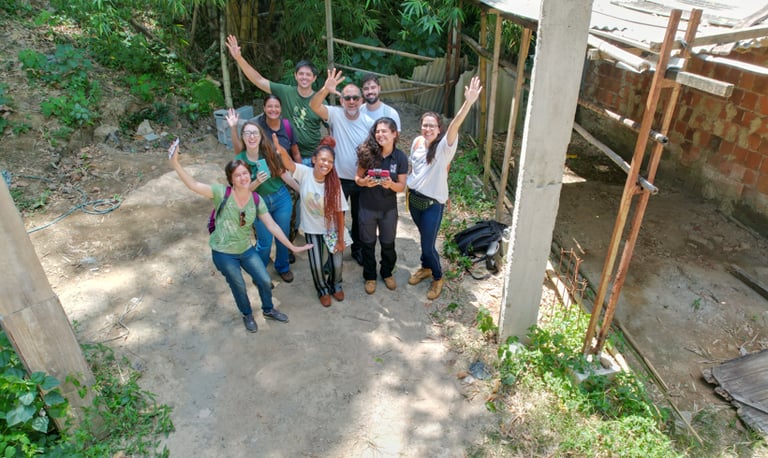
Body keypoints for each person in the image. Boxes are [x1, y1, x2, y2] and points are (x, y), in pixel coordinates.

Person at [168, 143, 311, 333]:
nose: (243, 177)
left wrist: (292, 248)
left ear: (250, 175)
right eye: (237, 175)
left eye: (245, 173)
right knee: (239, 285)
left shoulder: (256, 199)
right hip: (224, 253)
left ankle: (268, 309)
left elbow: (272, 226)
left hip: (246, 249)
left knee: (263, 279)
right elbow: (193, 185)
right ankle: (247, 315)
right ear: (231, 179)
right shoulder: (221, 193)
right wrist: (176, 164)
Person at [407, 76, 483, 300]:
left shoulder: (443, 148)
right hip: (414, 201)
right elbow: (415, 169)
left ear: (438, 129)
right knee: (423, 238)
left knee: (428, 244)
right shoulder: (417, 143)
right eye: (425, 125)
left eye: (432, 126)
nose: (427, 128)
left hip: (432, 205)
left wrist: (468, 102)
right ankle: (426, 267)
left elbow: (455, 124)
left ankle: (438, 277)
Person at [274, 134, 348, 307]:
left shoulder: (334, 183)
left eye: (330, 162)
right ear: (314, 159)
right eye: (322, 160)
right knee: (315, 264)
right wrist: (281, 150)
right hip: (312, 228)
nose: (325, 164)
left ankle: (336, 285)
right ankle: (322, 290)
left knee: (337, 262)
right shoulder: (305, 173)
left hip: (331, 228)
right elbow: (289, 164)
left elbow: (339, 212)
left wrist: (340, 238)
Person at [309, 68, 373, 265]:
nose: (352, 101)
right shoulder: (335, 114)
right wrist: (325, 89)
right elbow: (314, 105)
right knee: (334, 217)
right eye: (347, 98)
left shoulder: (369, 122)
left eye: (355, 98)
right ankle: (332, 254)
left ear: (361, 101)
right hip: (337, 178)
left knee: (360, 217)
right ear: (341, 100)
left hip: (360, 178)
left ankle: (357, 249)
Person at [225, 35, 324, 161]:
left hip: (312, 156)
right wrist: (239, 58)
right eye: (301, 74)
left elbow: (331, 125)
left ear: (314, 78)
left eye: (308, 75)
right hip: (288, 154)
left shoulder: (319, 99)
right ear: (295, 75)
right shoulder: (285, 92)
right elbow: (259, 80)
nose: (304, 77)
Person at [225, 113, 297, 283]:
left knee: (283, 235)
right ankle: (260, 272)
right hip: (257, 203)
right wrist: (257, 181)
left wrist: (302, 189)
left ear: (260, 136)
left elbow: (284, 175)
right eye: (247, 133)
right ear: (242, 137)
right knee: (264, 242)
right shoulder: (240, 161)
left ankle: (283, 267)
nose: (251, 136)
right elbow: (241, 193)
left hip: (280, 198)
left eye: (255, 133)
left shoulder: (270, 152)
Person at [354, 117, 408, 294]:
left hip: (388, 209)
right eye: (377, 131)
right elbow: (357, 178)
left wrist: (390, 185)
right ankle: (370, 276)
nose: (380, 134)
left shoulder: (400, 157)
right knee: (368, 244)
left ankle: (386, 273)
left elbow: (401, 186)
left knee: (388, 243)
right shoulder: (367, 153)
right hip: (367, 207)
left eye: (384, 131)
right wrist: (364, 183)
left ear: (394, 134)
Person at [230, 94, 301, 163]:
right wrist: (233, 127)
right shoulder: (255, 126)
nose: (273, 109)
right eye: (270, 106)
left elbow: (296, 153)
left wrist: (301, 173)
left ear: (281, 108)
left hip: (286, 170)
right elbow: (240, 152)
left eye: (277, 106)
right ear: (264, 108)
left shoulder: (287, 125)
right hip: (263, 172)